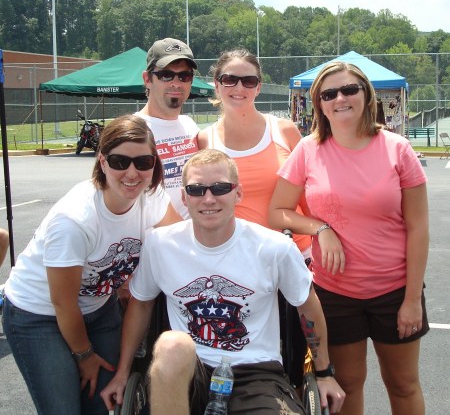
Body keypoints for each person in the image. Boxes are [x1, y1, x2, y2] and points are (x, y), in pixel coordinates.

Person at [101, 149, 345, 415]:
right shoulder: (160, 245)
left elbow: (307, 307)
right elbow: (141, 305)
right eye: (196, 189)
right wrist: (123, 373)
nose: (208, 198)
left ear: (237, 193)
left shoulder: (275, 248)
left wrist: (324, 373)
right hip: (190, 370)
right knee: (171, 344)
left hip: (256, 372)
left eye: (220, 188)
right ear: (184, 196)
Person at [269, 62, 429, 415]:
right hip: (335, 293)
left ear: (366, 95)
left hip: (395, 291)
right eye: (329, 94)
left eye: (349, 89)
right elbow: (278, 211)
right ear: (320, 105)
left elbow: (418, 227)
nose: (340, 98)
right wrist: (320, 229)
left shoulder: (397, 148)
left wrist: (412, 298)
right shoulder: (308, 150)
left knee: (403, 385)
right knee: (347, 386)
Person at [2, 115, 180, 415]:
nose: (133, 173)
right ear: (102, 161)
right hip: (39, 315)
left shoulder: (152, 196)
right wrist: (84, 356)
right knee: (64, 409)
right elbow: (63, 303)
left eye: (143, 162)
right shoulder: (74, 220)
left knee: (101, 403)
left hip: (98, 307)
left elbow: (179, 246)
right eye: (120, 162)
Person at [197, 48, 311, 387]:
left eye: (248, 80)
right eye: (229, 79)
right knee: (246, 352)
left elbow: (307, 197)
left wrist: (320, 235)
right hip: (240, 263)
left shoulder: (285, 131)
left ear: (258, 87)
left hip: (293, 255)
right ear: (216, 85)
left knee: (295, 357)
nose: (239, 87)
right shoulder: (206, 139)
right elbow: (203, 200)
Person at [135, 37, 200, 219]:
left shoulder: (190, 126)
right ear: (147, 79)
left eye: (184, 76)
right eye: (166, 75)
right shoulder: (132, 131)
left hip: (195, 238)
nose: (176, 83)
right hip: (155, 241)